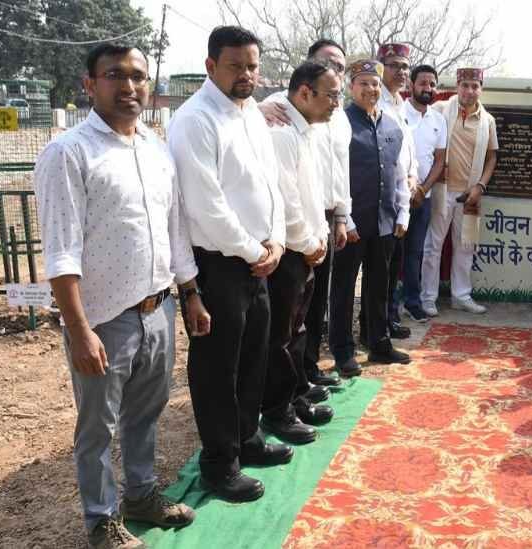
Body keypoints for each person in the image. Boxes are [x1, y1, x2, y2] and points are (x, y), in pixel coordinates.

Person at [35, 43, 206, 548]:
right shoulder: (68, 153)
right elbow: (61, 252)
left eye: (138, 76)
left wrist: (189, 293)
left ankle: (142, 495)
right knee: (97, 428)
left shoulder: (155, 148)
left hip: (158, 307)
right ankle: (101, 520)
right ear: (90, 85)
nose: (129, 86)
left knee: (145, 414)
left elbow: (174, 230)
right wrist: (79, 330)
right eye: (115, 75)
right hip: (103, 318)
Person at [168, 26, 291, 503]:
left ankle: (247, 438)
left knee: (254, 356)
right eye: (235, 65)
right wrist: (254, 251)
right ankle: (219, 464)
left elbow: (269, 184)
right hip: (219, 263)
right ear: (210, 66)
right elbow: (206, 206)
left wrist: (275, 241)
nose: (246, 75)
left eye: (252, 66)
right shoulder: (194, 120)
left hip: (259, 260)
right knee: (218, 368)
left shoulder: (250, 114)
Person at [260, 39, 358, 380]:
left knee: (313, 303)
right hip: (294, 228)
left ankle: (308, 370)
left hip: (324, 218)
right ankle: (291, 383)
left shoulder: (337, 115)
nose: (335, 70)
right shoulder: (281, 107)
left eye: (340, 67)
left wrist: (342, 216)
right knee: (288, 312)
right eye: (327, 63)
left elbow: (340, 169)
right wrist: (255, 110)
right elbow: (287, 188)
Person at [260, 61, 344, 446]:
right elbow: (287, 202)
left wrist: (319, 236)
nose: (336, 104)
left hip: (307, 246)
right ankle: (277, 411)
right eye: (332, 95)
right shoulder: (281, 134)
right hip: (291, 252)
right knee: (280, 337)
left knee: (297, 330)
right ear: (305, 93)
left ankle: (294, 398)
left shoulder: (306, 129)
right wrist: (309, 242)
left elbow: (312, 194)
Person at [329, 59, 412, 372]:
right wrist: (344, 218)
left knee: (379, 286)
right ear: (351, 87)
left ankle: (378, 343)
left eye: (375, 83)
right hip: (352, 222)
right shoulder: (339, 122)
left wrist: (403, 212)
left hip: (385, 221)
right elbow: (335, 175)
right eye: (363, 83)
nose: (370, 89)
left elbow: (399, 172)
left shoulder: (392, 125)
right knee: (343, 288)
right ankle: (342, 351)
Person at [420, 68, 498, 316]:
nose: (469, 91)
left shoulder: (487, 120)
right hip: (442, 190)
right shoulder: (440, 110)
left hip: (469, 194)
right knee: (433, 246)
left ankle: (461, 296)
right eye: (465, 85)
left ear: (481, 89)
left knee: (466, 246)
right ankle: (428, 298)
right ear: (457, 86)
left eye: (475, 86)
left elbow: (492, 157)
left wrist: (480, 186)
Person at [371, 42, 420, 339]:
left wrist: (413, 175)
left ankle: (389, 317)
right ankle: (376, 326)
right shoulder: (376, 101)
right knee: (381, 268)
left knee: (394, 264)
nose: (401, 72)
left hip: (403, 194)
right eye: (394, 66)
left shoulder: (401, 104)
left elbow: (407, 149)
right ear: (381, 69)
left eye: (405, 67)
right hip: (384, 195)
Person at [398, 64, 448, 322]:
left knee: (415, 252)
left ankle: (412, 302)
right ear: (412, 85)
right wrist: (407, 188)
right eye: (423, 83)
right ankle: (388, 307)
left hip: (423, 198)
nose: (427, 88)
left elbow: (439, 161)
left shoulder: (438, 120)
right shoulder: (397, 111)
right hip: (396, 196)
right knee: (392, 254)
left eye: (432, 84)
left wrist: (422, 189)